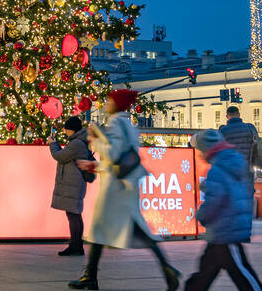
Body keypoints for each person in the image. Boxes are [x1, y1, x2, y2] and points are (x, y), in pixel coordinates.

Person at [69, 89, 181, 290]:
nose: (106, 104)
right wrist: (95, 166)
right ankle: (167, 268)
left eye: (109, 100)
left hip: (115, 189)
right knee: (132, 229)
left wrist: (96, 140)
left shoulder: (116, 123)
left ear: (116, 103)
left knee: (100, 230)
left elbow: (114, 153)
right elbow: (123, 156)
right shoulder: (127, 123)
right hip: (125, 185)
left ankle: (91, 277)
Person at [185, 129, 262, 291]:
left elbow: (215, 202)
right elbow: (231, 191)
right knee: (204, 274)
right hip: (223, 230)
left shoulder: (217, 169)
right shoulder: (231, 162)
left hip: (226, 231)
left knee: (242, 274)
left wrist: (201, 214)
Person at [49, 115, 94, 257]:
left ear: (72, 130)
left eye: (67, 129)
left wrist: (52, 143)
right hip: (74, 183)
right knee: (74, 214)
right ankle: (76, 245)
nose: (65, 131)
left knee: (73, 214)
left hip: (74, 183)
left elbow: (60, 156)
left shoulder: (76, 144)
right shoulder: (79, 141)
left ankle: (75, 245)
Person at [219, 106, 262, 180]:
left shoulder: (223, 131)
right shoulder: (250, 128)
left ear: (227, 116)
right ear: (239, 115)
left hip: (229, 173)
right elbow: (258, 146)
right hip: (247, 171)